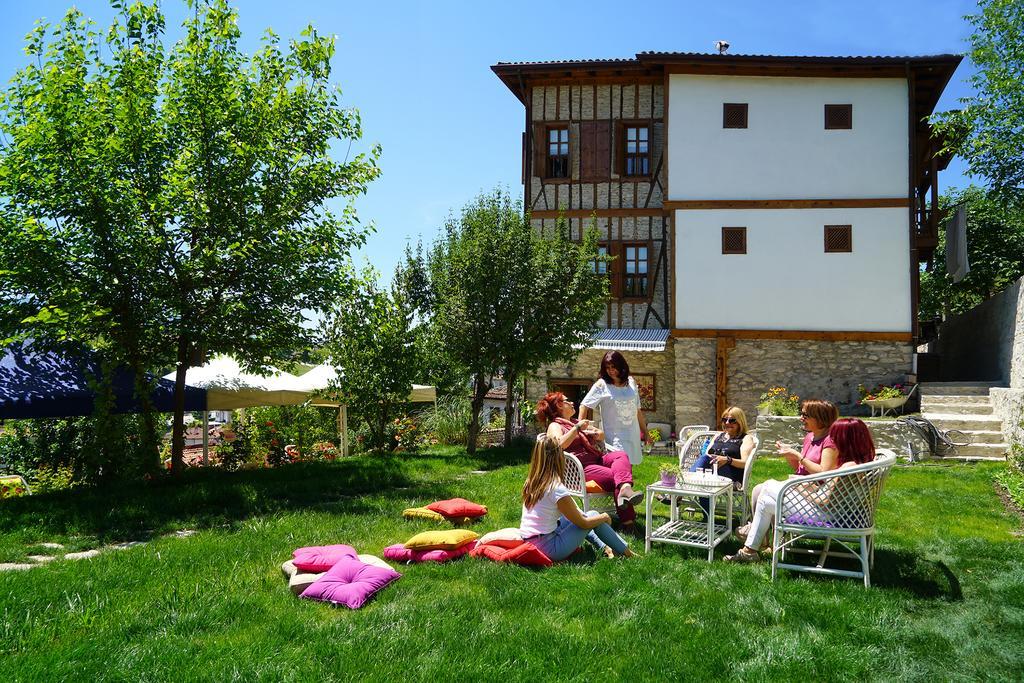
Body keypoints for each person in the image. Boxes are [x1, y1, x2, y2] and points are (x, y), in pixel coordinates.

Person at [725, 418, 876, 563]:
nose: (833, 440)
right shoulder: (861, 463)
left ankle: (752, 539)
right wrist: (812, 487)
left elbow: (824, 501)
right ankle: (749, 550)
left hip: (826, 516)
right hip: (837, 512)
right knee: (765, 500)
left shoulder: (848, 468)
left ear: (846, 439)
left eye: (836, 436)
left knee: (768, 485)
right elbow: (833, 493)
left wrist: (800, 488)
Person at [536, 391, 645, 534]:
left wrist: (599, 435)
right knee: (616, 476)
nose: (572, 402)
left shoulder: (574, 422)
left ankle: (625, 488)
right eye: (568, 400)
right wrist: (577, 429)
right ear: (559, 406)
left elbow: (599, 434)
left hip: (597, 459)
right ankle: (628, 522)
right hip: (580, 469)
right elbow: (559, 445)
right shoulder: (555, 426)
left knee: (621, 456)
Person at [520, 435, 633, 562]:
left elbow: (577, 516)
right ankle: (627, 553)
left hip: (530, 540)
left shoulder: (532, 482)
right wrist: (605, 517)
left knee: (587, 515)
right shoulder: (556, 488)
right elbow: (583, 523)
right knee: (592, 517)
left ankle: (607, 548)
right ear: (559, 457)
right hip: (550, 548)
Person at [749, 399, 840, 513]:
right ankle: (759, 528)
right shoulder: (810, 437)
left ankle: (755, 529)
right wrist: (789, 455)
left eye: (805, 415)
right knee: (759, 491)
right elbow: (800, 469)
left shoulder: (830, 441)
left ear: (820, 418)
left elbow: (823, 474)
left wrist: (797, 455)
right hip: (798, 484)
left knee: (763, 490)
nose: (801, 418)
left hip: (812, 494)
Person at [579, 351, 648, 465]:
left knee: (629, 468)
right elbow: (584, 405)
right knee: (620, 467)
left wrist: (645, 432)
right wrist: (580, 429)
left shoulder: (631, 382)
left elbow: (637, 410)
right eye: (607, 367)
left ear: (621, 366)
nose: (611, 370)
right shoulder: (602, 385)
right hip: (614, 438)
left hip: (632, 435)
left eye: (614, 367)